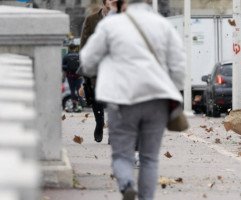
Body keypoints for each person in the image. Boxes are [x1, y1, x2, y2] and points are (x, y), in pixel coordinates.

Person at [80, 0, 186, 199]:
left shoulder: (110, 25)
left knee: (121, 154)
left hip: (121, 99)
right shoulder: (163, 25)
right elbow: (179, 67)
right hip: (156, 99)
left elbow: (87, 60)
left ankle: (127, 182)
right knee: (149, 158)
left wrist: (103, 73)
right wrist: (173, 88)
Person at [80, 0, 112, 143]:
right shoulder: (91, 20)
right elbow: (84, 42)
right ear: (103, 5)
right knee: (97, 99)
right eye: (109, 4)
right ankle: (99, 124)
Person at [62, 44, 83, 113]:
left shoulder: (66, 56)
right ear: (75, 49)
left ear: (69, 48)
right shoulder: (79, 55)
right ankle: (80, 106)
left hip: (70, 76)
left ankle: (74, 106)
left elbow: (62, 65)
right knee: (79, 91)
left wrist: (68, 68)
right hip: (78, 76)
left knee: (72, 91)